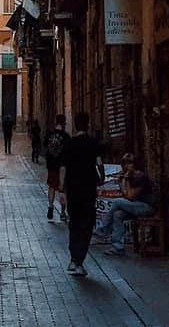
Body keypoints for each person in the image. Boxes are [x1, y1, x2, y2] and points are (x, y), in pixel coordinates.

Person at [59, 111, 104, 276]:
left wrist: (61, 190)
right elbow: (99, 163)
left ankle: (73, 259)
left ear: (75, 125)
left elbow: (63, 168)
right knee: (86, 225)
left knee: (74, 223)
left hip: (72, 190)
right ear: (88, 124)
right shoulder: (93, 143)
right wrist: (101, 178)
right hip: (88, 190)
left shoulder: (69, 144)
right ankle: (79, 261)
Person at [95, 164, 157, 256]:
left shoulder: (140, 177)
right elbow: (125, 193)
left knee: (116, 202)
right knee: (117, 214)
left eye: (128, 164)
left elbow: (130, 196)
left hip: (146, 207)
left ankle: (103, 229)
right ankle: (118, 247)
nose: (125, 167)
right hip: (136, 206)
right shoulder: (130, 177)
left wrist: (126, 180)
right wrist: (122, 181)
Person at [43, 115, 69, 221]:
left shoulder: (49, 134)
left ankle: (50, 206)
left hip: (51, 165)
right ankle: (62, 212)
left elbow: (45, 146)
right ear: (64, 123)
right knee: (63, 189)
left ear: (55, 122)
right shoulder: (66, 137)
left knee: (52, 186)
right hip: (62, 166)